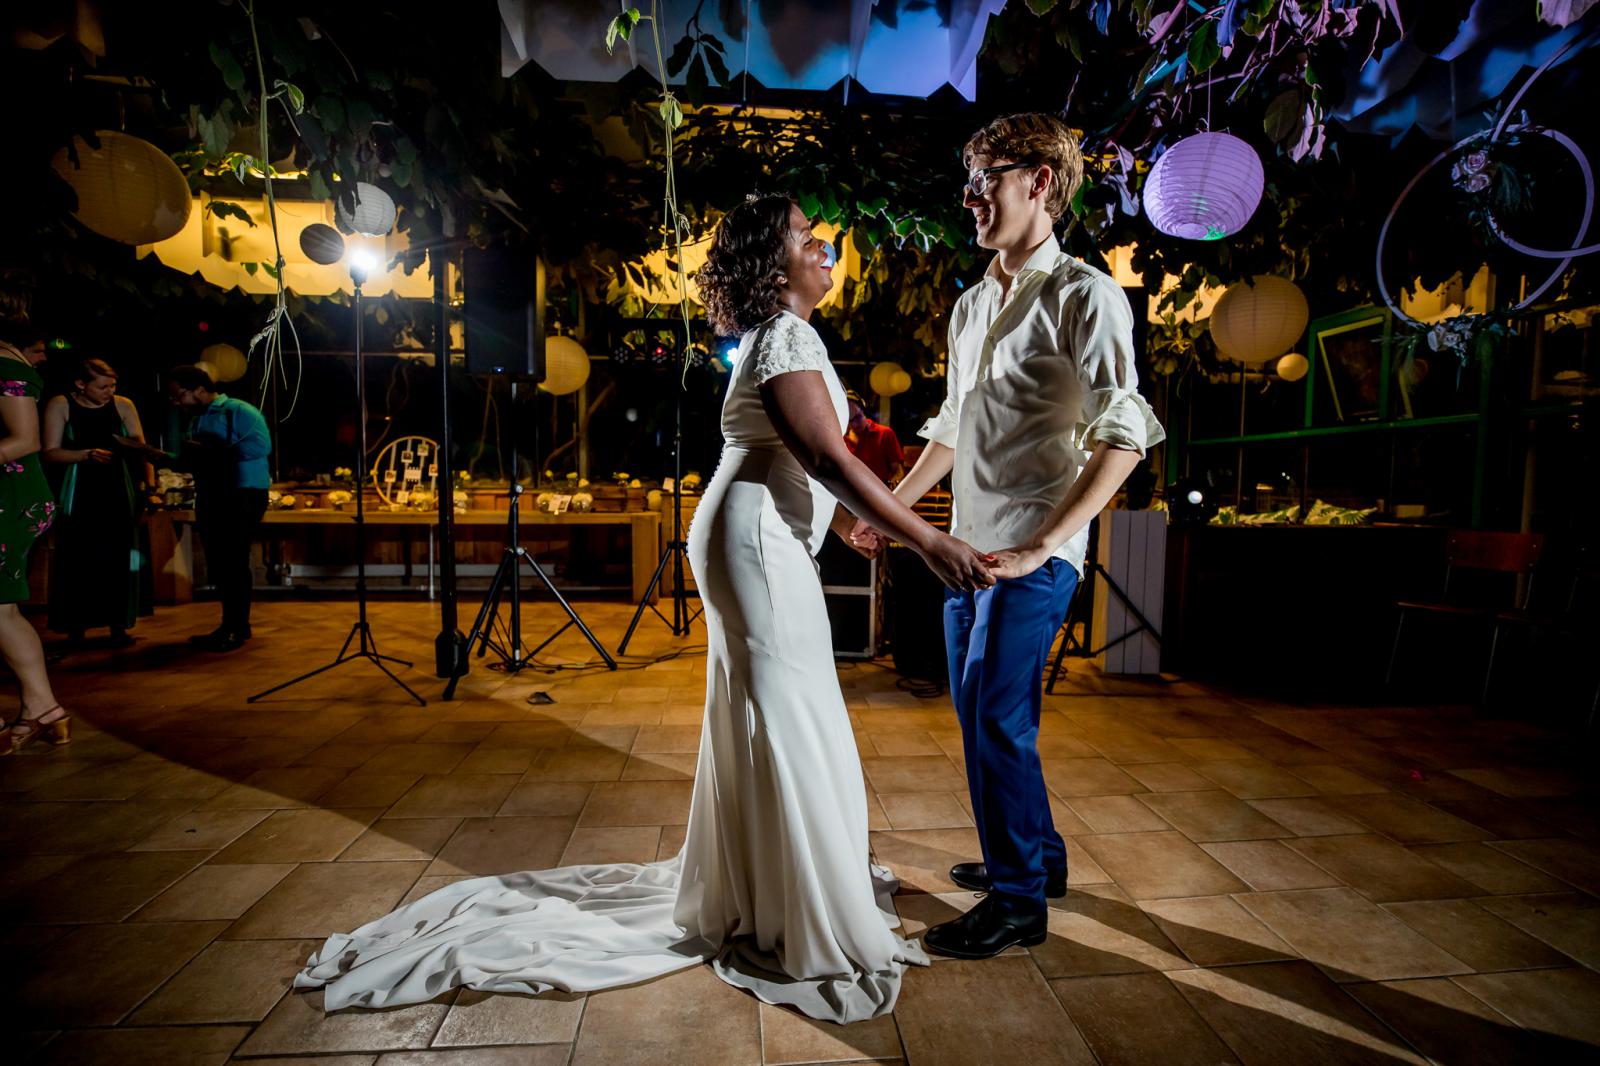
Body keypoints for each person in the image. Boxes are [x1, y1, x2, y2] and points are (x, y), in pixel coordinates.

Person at [295, 195, 996, 1023]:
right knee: (790, 716)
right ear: (775, 266)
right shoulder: (786, 335)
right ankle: (793, 906)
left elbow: (809, 462)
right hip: (757, 549)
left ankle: (772, 887)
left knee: (774, 715)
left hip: (761, 537)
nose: (828, 250)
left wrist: (847, 521)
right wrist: (928, 541)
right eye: (811, 240)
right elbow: (823, 455)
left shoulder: (784, 337)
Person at [855, 113, 1165, 959]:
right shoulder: (968, 306)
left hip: (1036, 557)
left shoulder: (1086, 295)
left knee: (996, 719)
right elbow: (953, 427)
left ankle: (1020, 903)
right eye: (969, 176)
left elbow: (1124, 433)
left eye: (986, 176)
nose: (970, 195)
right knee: (982, 716)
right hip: (969, 554)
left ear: (1039, 181)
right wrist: (891, 509)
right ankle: (1043, 859)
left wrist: (1042, 546)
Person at [42, 358, 159, 646]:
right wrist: (85, 454)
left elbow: (141, 447)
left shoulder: (123, 405)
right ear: (81, 385)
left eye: (113, 385)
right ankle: (76, 627)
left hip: (119, 485)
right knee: (77, 555)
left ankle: (118, 626)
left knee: (119, 554)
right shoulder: (61, 404)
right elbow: (50, 451)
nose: (109, 391)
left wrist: (151, 485)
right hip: (81, 485)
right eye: (103, 386)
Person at [166, 365, 271, 652]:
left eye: (179, 396)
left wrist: (212, 450)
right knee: (221, 560)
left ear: (199, 389)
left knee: (234, 559)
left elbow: (261, 447)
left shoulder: (238, 410)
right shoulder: (198, 418)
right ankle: (231, 624)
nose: (177, 402)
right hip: (213, 493)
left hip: (243, 491)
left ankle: (237, 628)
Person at [0, 320, 67, 754]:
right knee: (3, 612)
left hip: (10, 497)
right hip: (11, 495)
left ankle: (42, 707)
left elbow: (26, 440)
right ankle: (43, 708)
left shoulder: (6, 365)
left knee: (1, 612)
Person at [844, 389, 905, 483]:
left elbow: (898, 472)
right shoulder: (841, 438)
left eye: (858, 417)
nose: (855, 424)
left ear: (864, 410)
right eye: (850, 421)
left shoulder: (885, 433)